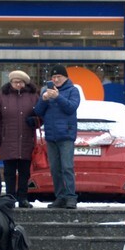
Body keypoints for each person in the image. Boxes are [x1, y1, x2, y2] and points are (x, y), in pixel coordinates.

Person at [34, 65, 80, 209]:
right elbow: (38, 111)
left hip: (66, 135)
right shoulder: (46, 91)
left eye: (58, 77)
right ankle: (60, 197)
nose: (56, 80)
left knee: (67, 167)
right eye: (53, 77)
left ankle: (71, 197)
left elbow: (71, 107)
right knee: (54, 168)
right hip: (51, 136)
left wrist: (58, 97)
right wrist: (44, 99)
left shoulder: (73, 90)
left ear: (65, 77)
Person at [0, 70, 39, 208]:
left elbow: (41, 115)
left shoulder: (33, 96)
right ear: (10, 82)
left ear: (25, 83)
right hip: (8, 140)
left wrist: (35, 121)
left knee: (25, 172)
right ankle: (10, 197)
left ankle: (23, 198)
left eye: (21, 82)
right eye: (15, 82)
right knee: (9, 172)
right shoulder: (2, 97)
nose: (18, 84)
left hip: (27, 139)